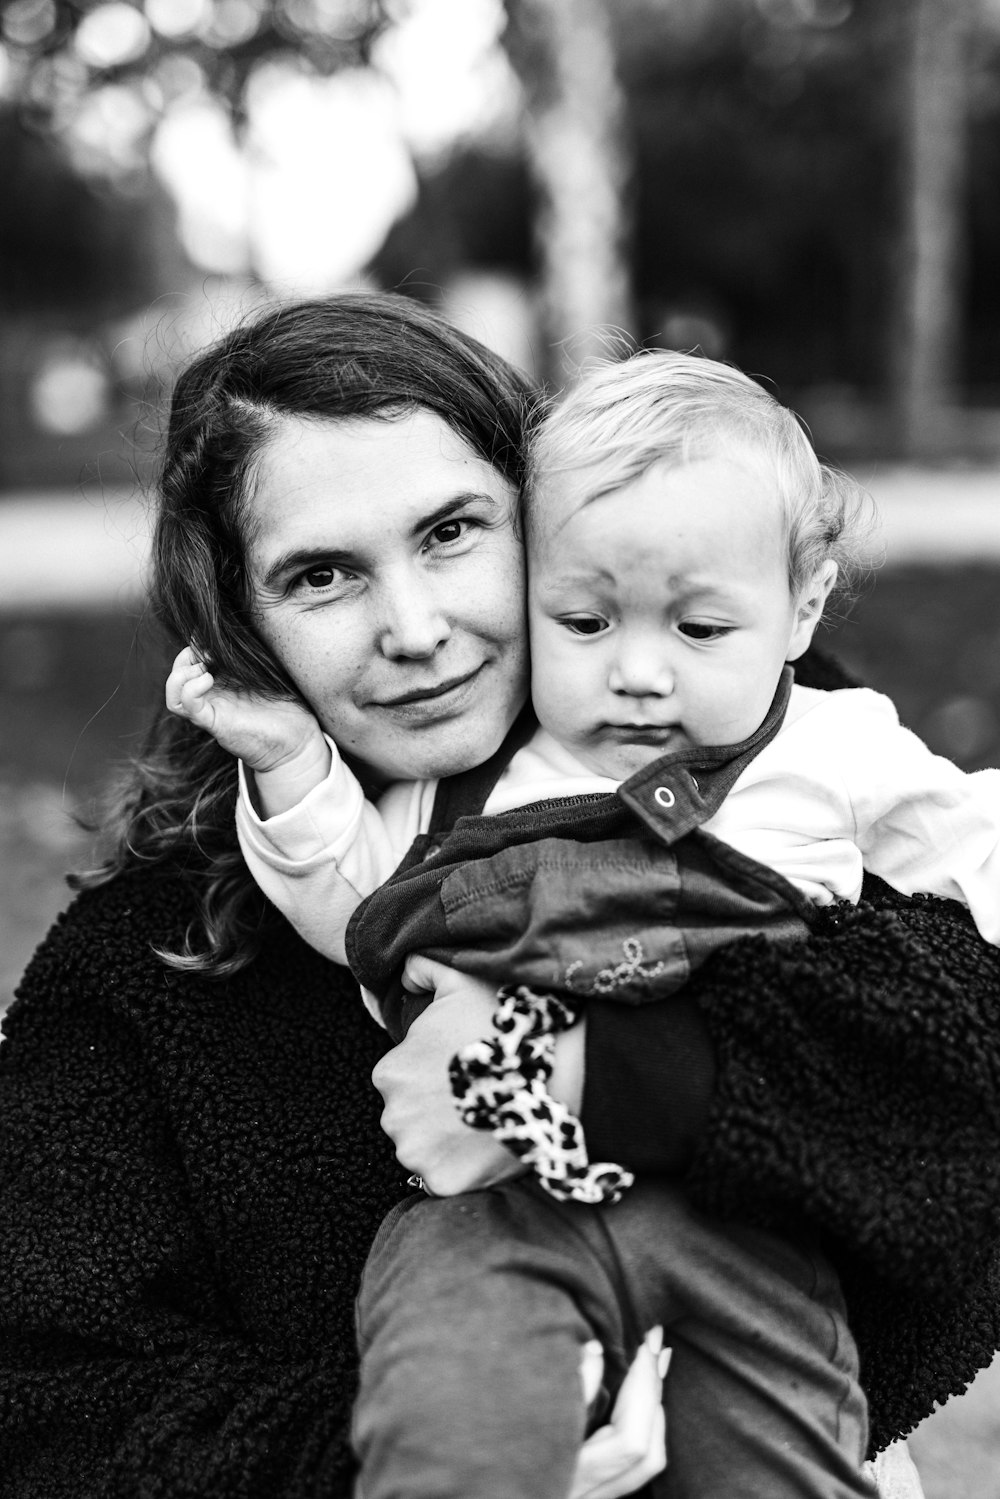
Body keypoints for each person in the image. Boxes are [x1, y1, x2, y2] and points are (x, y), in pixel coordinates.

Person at [0, 296, 998, 1499]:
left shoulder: (753, 728)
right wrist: (465, 1447)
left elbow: (956, 1085)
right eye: (321, 575)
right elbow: (55, 1407)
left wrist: (592, 1076)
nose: (415, 628)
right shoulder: (130, 972)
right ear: (238, 619)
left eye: (452, 530)